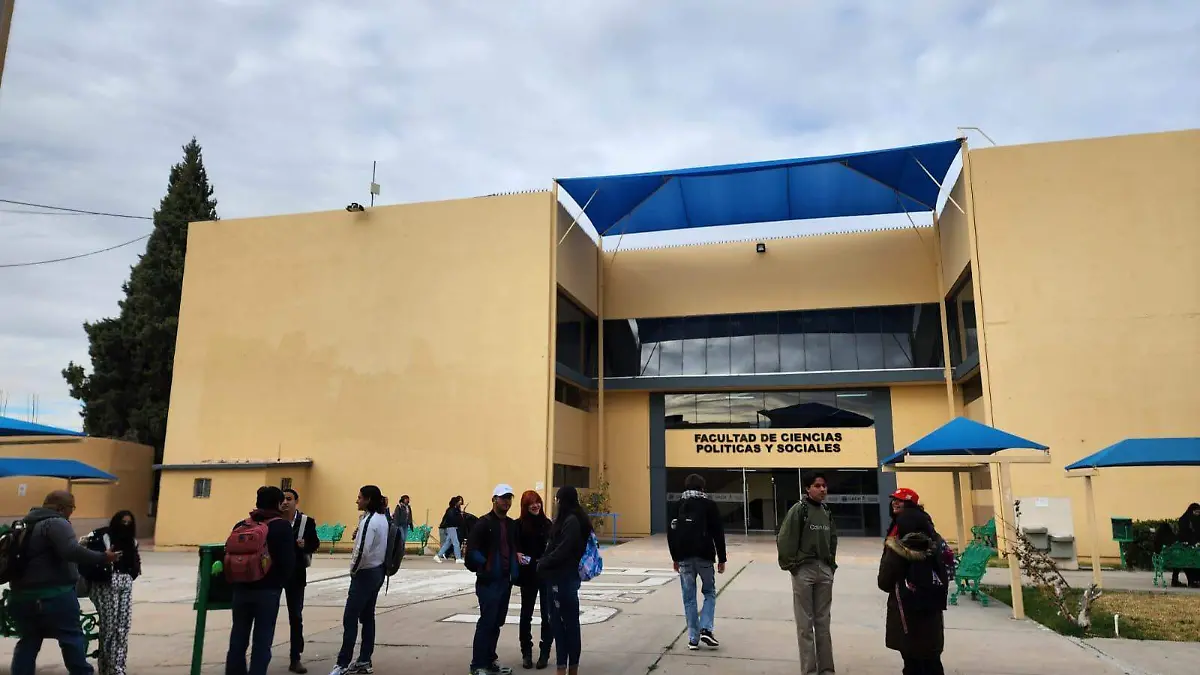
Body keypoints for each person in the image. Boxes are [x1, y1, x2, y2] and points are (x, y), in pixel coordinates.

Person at [8, 490, 119, 675]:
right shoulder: (56, 523)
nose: (71, 513)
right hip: (54, 596)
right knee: (71, 640)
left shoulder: (25, 524)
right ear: (61, 508)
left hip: (21, 597)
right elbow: (71, 551)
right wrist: (103, 557)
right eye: (71, 508)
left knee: (28, 642)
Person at [225, 485, 296, 675]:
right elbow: (288, 562)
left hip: (241, 589)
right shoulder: (281, 526)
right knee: (262, 640)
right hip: (268, 590)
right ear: (278, 503)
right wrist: (279, 582)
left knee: (238, 637)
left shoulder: (241, 525)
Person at [776, 473, 837, 675]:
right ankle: (809, 670)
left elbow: (833, 539)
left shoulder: (826, 511)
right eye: (817, 485)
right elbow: (785, 538)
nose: (822, 489)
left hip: (824, 569)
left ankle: (826, 669)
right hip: (804, 570)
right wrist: (792, 566)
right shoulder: (799, 510)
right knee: (805, 624)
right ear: (807, 489)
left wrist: (831, 566)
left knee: (823, 623)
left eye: (824, 485)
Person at [877, 508, 948, 675]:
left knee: (911, 663)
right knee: (932, 662)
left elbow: (884, 582)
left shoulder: (897, 550)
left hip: (906, 617)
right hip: (931, 614)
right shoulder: (937, 547)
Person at [330, 485, 391, 675]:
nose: (357, 500)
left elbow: (362, 551)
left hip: (365, 573)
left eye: (360, 497)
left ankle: (342, 663)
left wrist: (353, 570)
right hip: (378, 570)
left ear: (368, 500)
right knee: (367, 617)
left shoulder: (370, 521)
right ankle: (364, 660)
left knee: (350, 618)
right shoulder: (382, 518)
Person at [667, 473, 727, 651]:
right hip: (704, 555)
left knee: (689, 598)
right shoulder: (709, 505)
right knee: (709, 592)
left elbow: (671, 534)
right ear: (702, 487)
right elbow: (718, 533)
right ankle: (706, 629)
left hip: (684, 557)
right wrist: (722, 558)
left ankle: (693, 639)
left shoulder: (677, 505)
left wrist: (675, 558)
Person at [465, 484, 520, 675]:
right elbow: (471, 552)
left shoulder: (511, 524)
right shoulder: (483, 523)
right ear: (494, 499)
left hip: (505, 580)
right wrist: (485, 565)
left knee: (497, 622)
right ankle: (477, 664)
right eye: (503, 497)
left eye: (509, 498)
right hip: (488, 582)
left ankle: (489, 661)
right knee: (487, 622)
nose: (506, 501)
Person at [538, 486, 592, 675]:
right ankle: (566, 668)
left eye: (557, 499)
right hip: (562, 577)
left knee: (564, 626)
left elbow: (563, 549)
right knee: (564, 625)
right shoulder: (574, 519)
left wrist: (543, 562)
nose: (555, 503)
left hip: (562, 579)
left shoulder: (571, 521)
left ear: (562, 500)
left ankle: (567, 669)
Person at [82, 509, 142, 675]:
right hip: (105, 583)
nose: (126, 526)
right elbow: (89, 560)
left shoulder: (132, 542)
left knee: (122, 627)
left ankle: (118, 668)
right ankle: (107, 666)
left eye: (129, 523)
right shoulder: (102, 537)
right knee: (109, 628)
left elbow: (134, 561)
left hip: (124, 582)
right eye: (123, 522)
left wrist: (131, 573)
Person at [280, 488, 320, 673]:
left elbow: (315, 543)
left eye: (289, 499)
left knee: (295, 616)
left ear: (296, 502)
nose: (285, 502)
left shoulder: (306, 522)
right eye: (282, 499)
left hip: (296, 574)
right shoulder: (274, 521)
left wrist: (306, 545)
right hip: (275, 574)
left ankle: (295, 657)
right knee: (268, 615)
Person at [516, 490, 554, 669]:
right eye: (531, 503)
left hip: (546, 576)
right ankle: (526, 652)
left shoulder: (547, 524)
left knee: (548, 615)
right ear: (525, 506)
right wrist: (529, 560)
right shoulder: (518, 526)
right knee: (526, 615)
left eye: (537, 501)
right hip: (528, 576)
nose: (535, 505)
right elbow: (517, 552)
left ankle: (545, 652)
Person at [1176, 503, 1200, 587]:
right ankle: (1192, 581)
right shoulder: (1184, 520)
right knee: (1190, 561)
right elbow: (1184, 534)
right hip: (1185, 546)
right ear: (1191, 511)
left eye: (1199, 512)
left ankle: (1195, 580)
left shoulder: (1196, 520)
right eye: (1196, 512)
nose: (1197, 514)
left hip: (1195, 546)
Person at [437, 496, 466, 564]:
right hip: (451, 527)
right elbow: (452, 519)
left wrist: (460, 514)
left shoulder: (456, 509)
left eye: (461, 500)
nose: (460, 502)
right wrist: (459, 516)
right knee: (456, 543)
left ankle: (438, 556)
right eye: (459, 501)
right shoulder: (451, 510)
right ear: (455, 502)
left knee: (447, 543)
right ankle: (458, 558)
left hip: (453, 527)